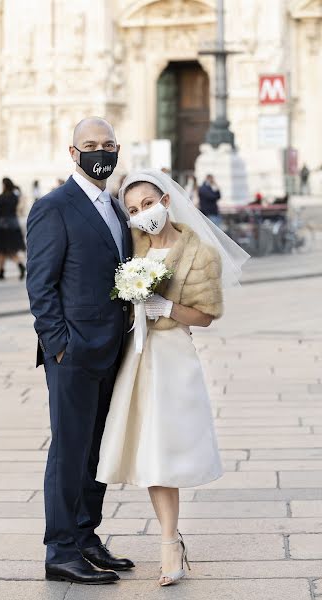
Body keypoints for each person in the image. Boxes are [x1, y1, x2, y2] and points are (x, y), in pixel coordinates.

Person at [97, 169, 250, 587]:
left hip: (173, 359)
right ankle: (170, 541)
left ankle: (168, 543)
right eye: (132, 210)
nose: (141, 214)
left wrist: (165, 308)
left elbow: (206, 315)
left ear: (166, 201)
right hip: (137, 358)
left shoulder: (200, 252)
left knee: (168, 449)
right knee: (150, 453)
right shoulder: (136, 246)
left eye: (147, 204)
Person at [26, 117, 134, 585]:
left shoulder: (115, 207)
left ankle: (87, 537)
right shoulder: (54, 206)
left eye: (108, 145)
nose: (101, 152)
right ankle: (61, 549)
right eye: (90, 145)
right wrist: (60, 346)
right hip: (72, 353)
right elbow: (40, 284)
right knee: (69, 451)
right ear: (73, 153)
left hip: (113, 350)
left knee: (97, 449)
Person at [0, 178, 26, 280]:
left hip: (2, 227)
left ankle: (1, 272)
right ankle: (17, 267)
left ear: (4, 185)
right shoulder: (15, 197)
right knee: (11, 250)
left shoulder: (1, 197)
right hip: (14, 225)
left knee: (2, 250)